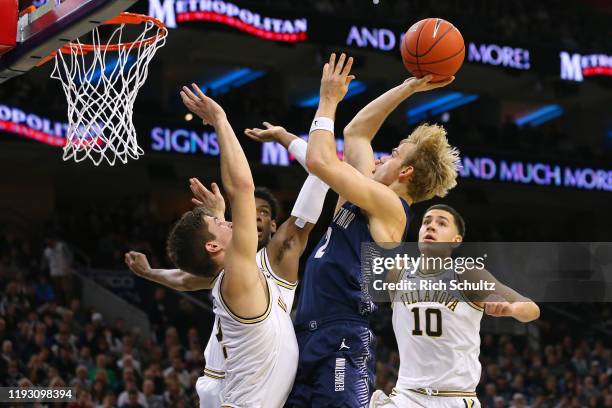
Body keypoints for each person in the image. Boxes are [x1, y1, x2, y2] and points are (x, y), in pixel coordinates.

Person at [126, 84, 329, 407]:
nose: (239, 220)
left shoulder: (241, 270)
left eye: (263, 214)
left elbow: (189, 276)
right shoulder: (238, 275)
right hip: (226, 390)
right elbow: (242, 189)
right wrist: (220, 120)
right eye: (225, 223)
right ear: (212, 248)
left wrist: (215, 218)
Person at [289, 53, 460, 407]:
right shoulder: (367, 191)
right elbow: (356, 133)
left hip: (342, 336)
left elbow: (321, 161)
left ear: (406, 173)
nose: (381, 157)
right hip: (306, 332)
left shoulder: (390, 208)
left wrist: (328, 100)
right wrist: (407, 88)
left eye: (394, 153)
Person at [370, 204, 540, 408]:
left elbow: (532, 309)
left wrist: (510, 309)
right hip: (407, 396)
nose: (431, 227)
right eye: (426, 222)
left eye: (441, 223)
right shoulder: (397, 272)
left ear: (456, 240)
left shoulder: (467, 274)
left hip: (454, 398)